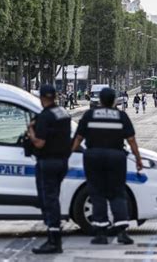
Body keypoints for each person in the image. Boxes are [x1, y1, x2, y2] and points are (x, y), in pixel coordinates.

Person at [71, 87, 143, 245]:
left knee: (97, 194)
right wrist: (138, 159)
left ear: (101, 101)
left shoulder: (90, 115)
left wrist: (69, 154)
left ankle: (101, 233)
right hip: (116, 157)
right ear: (114, 101)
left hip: (93, 157)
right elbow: (131, 140)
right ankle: (122, 232)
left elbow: (78, 138)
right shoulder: (121, 116)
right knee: (118, 193)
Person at [28, 85, 71, 254]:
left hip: (48, 161)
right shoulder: (63, 113)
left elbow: (39, 143)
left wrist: (31, 130)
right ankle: (53, 236)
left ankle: (54, 240)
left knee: (49, 199)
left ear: (41, 97)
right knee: (54, 197)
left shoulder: (45, 116)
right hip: (62, 161)